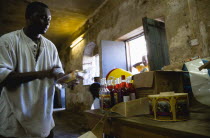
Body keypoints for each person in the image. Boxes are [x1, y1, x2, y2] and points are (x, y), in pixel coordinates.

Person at [0, 2, 75, 138]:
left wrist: (66, 78)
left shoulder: (50, 46)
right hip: (14, 122)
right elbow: (5, 79)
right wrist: (42, 73)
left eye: (49, 19)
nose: (47, 22)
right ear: (28, 18)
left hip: (43, 118)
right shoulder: (7, 41)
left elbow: (57, 71)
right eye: (42, 17)